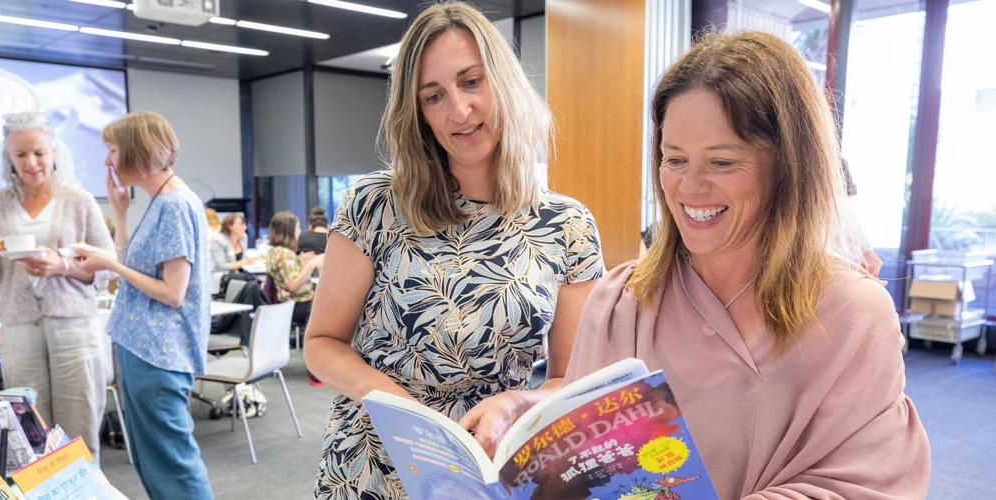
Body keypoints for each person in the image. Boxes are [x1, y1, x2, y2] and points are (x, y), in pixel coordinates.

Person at [561, 32, 930, 498]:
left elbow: (866, 485)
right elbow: (583, 470)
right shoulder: (622, 303)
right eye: (674, 159)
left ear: (788, 167)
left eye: (721, 162)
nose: (689, 188)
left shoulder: (853, 315)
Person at [305, 3, 604, 498]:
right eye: (433, 96)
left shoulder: (567, 224)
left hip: (487, 468)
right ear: (417, 112)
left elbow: (569, 379)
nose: (458, 111)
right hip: (374, 465)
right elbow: (320, 345)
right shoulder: (375, 204)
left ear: (503, 81)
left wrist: (516, 403)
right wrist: (390, 399)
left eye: (471, 82)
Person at [73, 111, 214, 500]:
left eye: (113, 150)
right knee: (157, 463)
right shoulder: (162, 202)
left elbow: (172, 292)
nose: (107, 161)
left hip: (158, 353)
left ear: (135, 151)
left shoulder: (173, 205)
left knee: (172, 464)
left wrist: (108, 263)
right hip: (146, 350)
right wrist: (119, 212)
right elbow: (133, 268)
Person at [0, 111, 113, 460]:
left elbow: (107, 265)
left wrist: (61, 266)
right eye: (20, 154)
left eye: (39, 153)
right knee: (31, 432)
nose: (31, 163)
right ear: (8, 157)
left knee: (80, 427)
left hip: (73, 324)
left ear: (54, 152)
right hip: (18, 326)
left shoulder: (79, 200)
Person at [265, 211, 323, 321]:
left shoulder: (275, 252)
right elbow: (293, 287)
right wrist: (311, 265)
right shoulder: (285, 254)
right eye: (298, 227)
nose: (300, 231)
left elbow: (285, 275)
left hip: (285, 303)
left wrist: (299, 261)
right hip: (296, 305)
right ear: (289, 231)